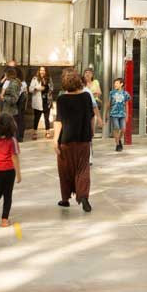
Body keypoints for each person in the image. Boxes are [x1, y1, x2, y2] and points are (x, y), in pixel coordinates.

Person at [51, 72, 95, 212]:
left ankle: (65, 199)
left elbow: (59, 121)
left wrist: (55, 140)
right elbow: (91, 117)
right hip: (83, 139)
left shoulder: (62, 99)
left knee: (65, 170)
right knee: (83, 169)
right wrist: (91, 132)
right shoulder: (86, 96)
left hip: (66, 140)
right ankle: (84, 197)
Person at [0, 61, 26, 131]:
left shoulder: (15, 83)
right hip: (7, 107)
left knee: (15, 122)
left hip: (13, 108)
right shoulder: (8, 81)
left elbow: (14, 98)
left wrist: (4, 98)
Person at [106, 78, 131, 153]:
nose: (115, 85)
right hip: (114, 113)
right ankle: (117, 144)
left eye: (116, 83)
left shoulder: (125, 93)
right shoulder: (112, 93)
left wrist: (127, 115)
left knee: (123, 129)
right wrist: (106, 114)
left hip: (122, 114)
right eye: (114, 83)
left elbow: (127, 105)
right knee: (116, 128)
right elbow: (108, 104)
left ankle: (119, 139)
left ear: (121, 84)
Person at [27, 66, 51, 138]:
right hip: (38, 101)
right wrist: (37, 88)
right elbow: (30, 89)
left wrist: (50, 89)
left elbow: (52, 87)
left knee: (47, 117)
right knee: (37, 117)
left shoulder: (49, 79)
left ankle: (47, 132)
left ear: (46, 71)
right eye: (41, 70)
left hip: (47, 101)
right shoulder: (35, 79)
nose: (42, 72)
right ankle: (34, 132)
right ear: (39, 71)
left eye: (43, 70)